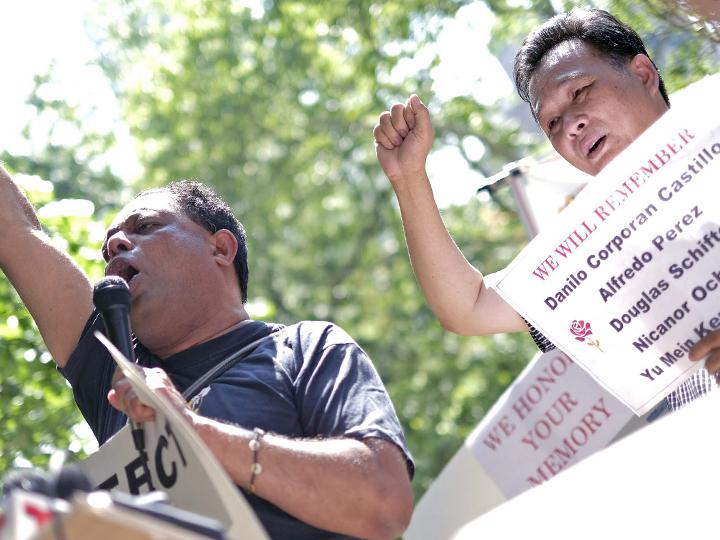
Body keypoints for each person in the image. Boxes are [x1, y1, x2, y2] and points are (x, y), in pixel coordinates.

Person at [0, 169, 413, 540]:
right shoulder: (113, 367)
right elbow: (14, 230)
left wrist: (191, 431)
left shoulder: (307, 349)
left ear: (221, 248)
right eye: (107, 250)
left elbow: (383, 502)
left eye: (146, 226)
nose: (116, 246)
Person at [373, 8, 719, 410]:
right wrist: (408, 177)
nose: (571, 123)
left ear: (643, 73)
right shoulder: (592, 250)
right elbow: (467, 308)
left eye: (580, 92)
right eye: (552, 123)